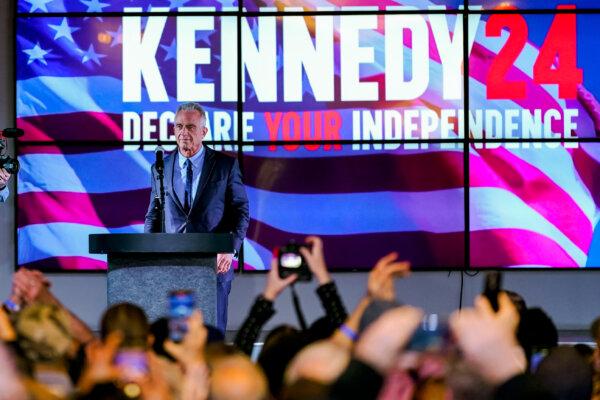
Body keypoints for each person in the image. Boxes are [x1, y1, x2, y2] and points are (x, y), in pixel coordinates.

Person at [144, 102, 250, 333]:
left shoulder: (225, 165)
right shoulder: (161, 167)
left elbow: (240, 211)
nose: (183, 132)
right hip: (174, 264)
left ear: (204, 131)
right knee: (177, 337)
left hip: (214, 264)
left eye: (190, 127)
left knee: (213, 335)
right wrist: (148, 253)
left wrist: (229, 248)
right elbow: (154, 213)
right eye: (179, 126)